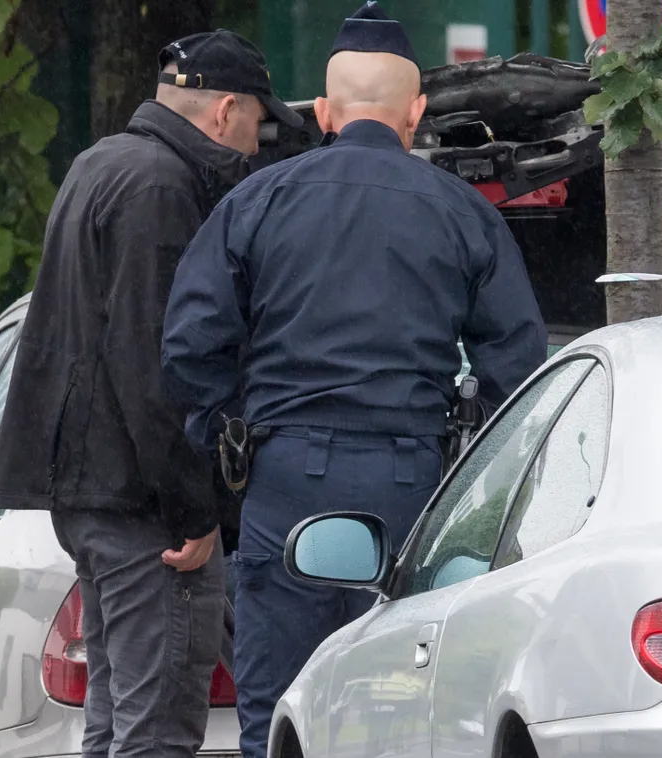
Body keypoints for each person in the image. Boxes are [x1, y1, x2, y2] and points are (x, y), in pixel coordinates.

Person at [159, 4, 547, 757]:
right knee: (409, 708)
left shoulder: (257, 201)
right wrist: (477, 488)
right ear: (417, 111)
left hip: (287, 483)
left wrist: (232, 441)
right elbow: (515, 368)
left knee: (278, 709)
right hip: (415, 487)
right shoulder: (463, 213)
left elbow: (189, 345)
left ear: (325, 111)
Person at [0, 30, 301, 758]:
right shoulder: (161, 188)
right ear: (225, 111)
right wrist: (192, 509)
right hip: (144, 510)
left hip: (91, 495)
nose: (256, 144)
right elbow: (152, 361)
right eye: (258, 122)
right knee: (156, 732)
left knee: (114, 725)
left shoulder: (103, 163)